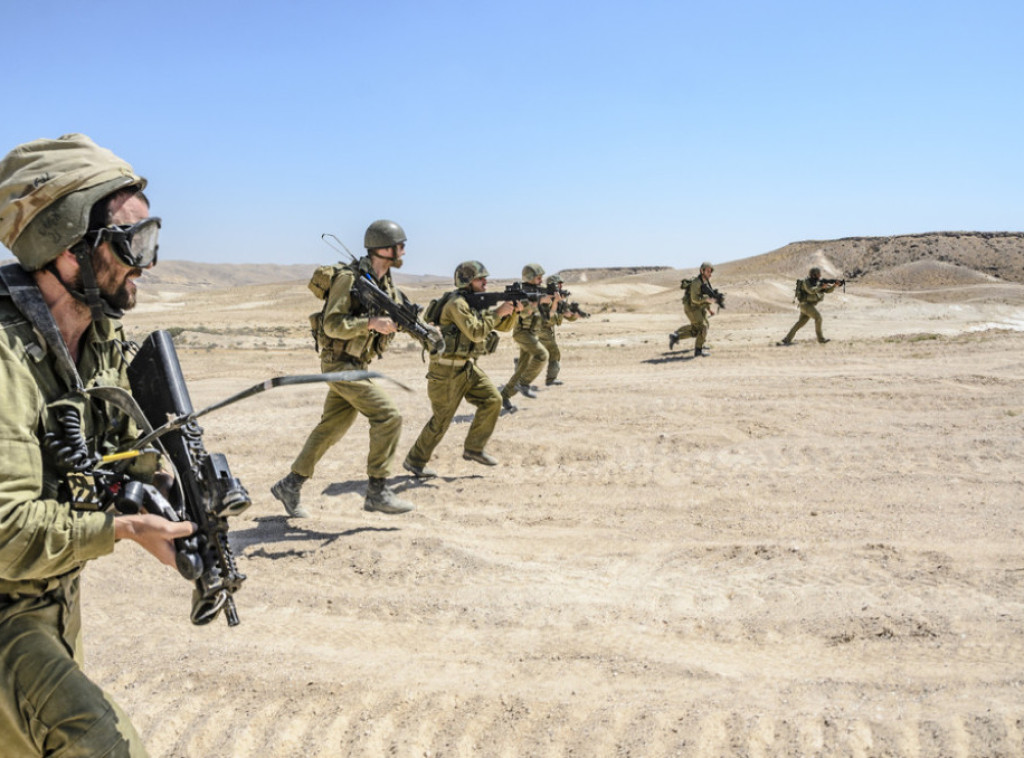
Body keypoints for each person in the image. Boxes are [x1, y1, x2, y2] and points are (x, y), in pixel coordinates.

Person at [0, 133, 196, 757]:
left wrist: (172, 492)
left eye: (151, 240)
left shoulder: (96, 337)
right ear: (68, 248)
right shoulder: (5, 358)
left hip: (52, 599)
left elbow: (116, 451)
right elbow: (6, 531)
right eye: (131, 243)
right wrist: (125, 529)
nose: (145, 264)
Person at [271, 219, 419, 518]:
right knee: (388, 416)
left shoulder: (386, 285)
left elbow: (402, 319)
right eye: (399, 245)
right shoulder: (349, 280)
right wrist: (370, 323)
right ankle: (377, 491)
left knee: (331, 428)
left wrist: (424, 332)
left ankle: (290, 485)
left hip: (358, 364)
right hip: (339, 364)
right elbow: (332, 325)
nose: (404, 250)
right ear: (383, 249)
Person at [402, 261, 519, 477]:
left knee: (493, 400)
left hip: (466, 367)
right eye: (480, 279)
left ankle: (474, 448)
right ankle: (415, 460)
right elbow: (476, 333)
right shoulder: (456, 304)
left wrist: (513, 312)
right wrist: (498, 312)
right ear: (467, 281)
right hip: (445, 372)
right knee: (441, 421)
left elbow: (502, 326)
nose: (485, 282)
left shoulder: (471, 303)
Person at [498, 263, 559, 412]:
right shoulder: (522, 293)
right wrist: (540, 301)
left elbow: (548, 316)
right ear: (529, 277)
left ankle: (504, 396)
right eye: (538, 277)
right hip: (522, 333)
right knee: (542, 355)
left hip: (532, 333)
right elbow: (523, 313)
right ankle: (523, 384)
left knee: (522, 369)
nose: (541, 280)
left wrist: (555, 301)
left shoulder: (538, 292)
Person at [777, 267, 840, 345]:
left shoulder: (817, 282)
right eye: (818, 274)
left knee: (800, 323)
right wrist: (821, 287)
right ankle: (821, 339)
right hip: (805, 305)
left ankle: (787, 339)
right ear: (813, 274)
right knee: (818, 318)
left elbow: (827, 290)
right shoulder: (806, 282)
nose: (820, 275)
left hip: (807, 306)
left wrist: (834, 285)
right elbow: (811, 290)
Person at [537, 273, 579, 387]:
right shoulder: (545, 298)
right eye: (558, 284)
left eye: (561, 284)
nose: (560, 286)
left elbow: (568, 315)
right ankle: (551, 379)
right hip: (541, 330)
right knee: (554, 353)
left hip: (545, 331)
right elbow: (549, 318)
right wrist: (557, 303)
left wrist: (573, 314)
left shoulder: (556, 298)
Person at [668, 261, 717, 357]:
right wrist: (706, 299)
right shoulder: (696, 282)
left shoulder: (705, 281)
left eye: (710, 272)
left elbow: (705, 296)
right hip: (692, 308)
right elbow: (695, 299)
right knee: (702, 327)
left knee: (699, 329)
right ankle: (698, 351)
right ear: (702, 271)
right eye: (708, 271)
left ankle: (676, 337)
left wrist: (709, 308)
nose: (710, 274)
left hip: (699, 307)